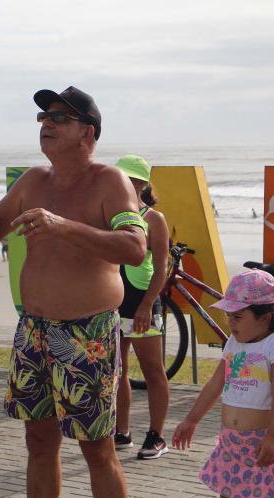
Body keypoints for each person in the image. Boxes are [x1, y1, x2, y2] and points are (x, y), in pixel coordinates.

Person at [0, 86, 146, 498]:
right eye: (43, 117)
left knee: (97, 449)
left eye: (59, 118)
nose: (46, 123)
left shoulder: (110, 181)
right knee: (38, 441)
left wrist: (63, 225)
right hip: (34, 330)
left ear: (87, 132)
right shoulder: (33, 180)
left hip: (88, 334)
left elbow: (135, 248)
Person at [172, 269, 274, 498]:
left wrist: (272, 437)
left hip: (262, 449)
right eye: (229, 315)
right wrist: (191, 419)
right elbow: (215, 383)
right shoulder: (233, 343)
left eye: (238, 317)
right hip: (231, 448)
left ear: (264, 317)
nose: (230, 322)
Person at [112, 154, 171, 460]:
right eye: (119, 178)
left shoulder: (154, 219)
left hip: (143, 301)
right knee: (117, 370)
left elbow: (162, 268)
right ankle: (121, 432)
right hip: (114, 302)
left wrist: (147, 305)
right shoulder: (111, 215)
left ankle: (157, 435)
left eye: (128, 179)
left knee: (153, 371)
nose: (121, 184)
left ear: (141, 184)